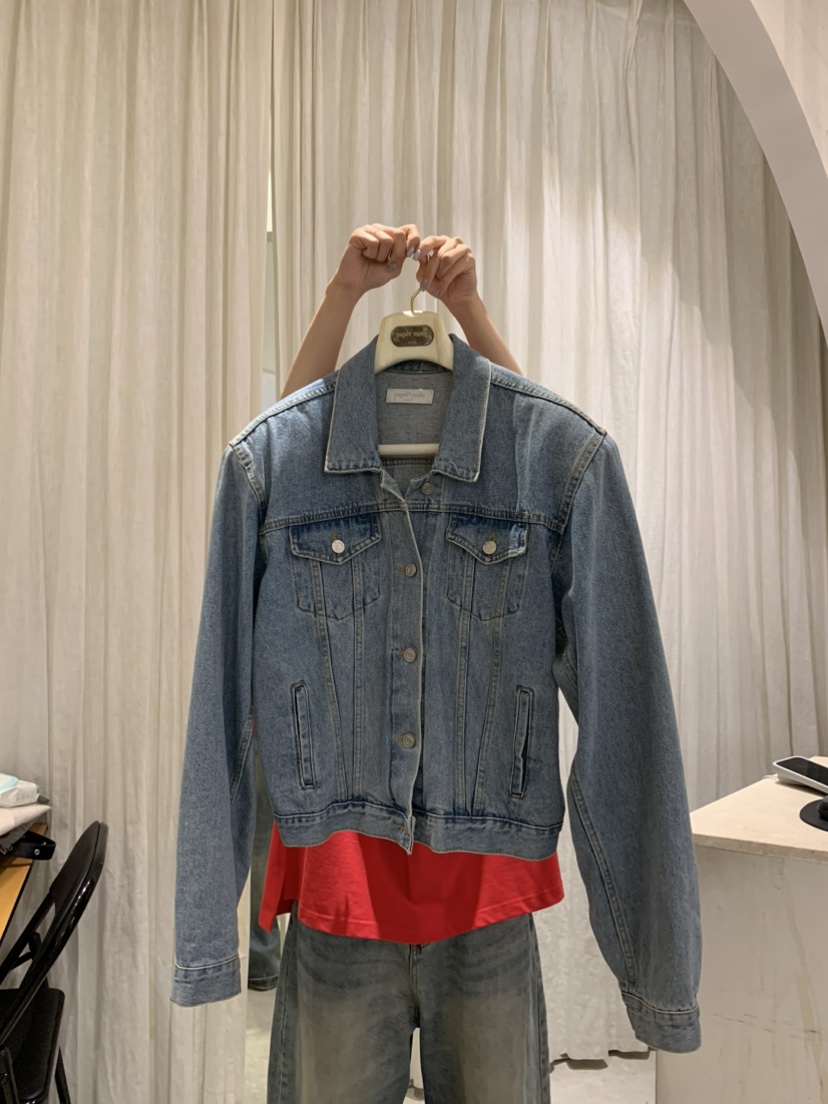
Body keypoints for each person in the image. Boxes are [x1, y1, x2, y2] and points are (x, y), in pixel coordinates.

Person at [256, 225, 564, 1104]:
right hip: (344, 879)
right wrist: (342, 295)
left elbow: (539, 456)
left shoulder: (509, 466)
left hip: (482, 878)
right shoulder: (310, 467)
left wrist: (470, 310)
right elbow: (282, 462)